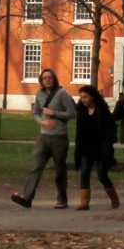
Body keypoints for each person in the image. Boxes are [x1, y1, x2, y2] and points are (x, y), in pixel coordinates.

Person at [12, 68, 76, 209]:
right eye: (44, 78)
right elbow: (35, 113)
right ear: (41, 80)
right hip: (43, 136)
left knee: (59, 169)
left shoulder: (62, 93)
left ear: (54, 79)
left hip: (59, 137)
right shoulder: (39, 94)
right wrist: (42, 121)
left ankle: (62, 199)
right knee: (36, 166)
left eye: (50, 77)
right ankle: (27, 198)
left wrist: (54, 113)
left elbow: (71, 113)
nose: (47, 80)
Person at [73, 84, 120, 210]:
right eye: (81, 97)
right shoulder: (81, 112)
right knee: (84, 173)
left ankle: (114, 198)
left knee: (101, 175)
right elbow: (79, 132)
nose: (83, 100)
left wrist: (108, 144)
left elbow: (111, 130)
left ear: (92, 97)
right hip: (85, 147)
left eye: (85, 97)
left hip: (100, 148)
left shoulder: (102, 111)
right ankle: (84, 202)